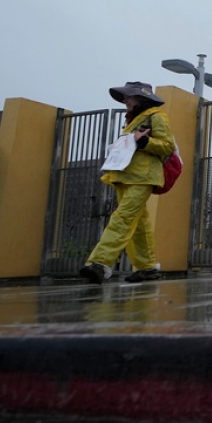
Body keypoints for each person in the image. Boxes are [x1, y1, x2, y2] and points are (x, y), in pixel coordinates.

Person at [79, 82, 176, 283]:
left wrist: (144, 142)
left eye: (128, 97)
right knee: (138, 223)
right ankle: (147, 267)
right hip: (128, 176)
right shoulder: (135, 120)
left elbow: (167, 146)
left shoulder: (156, 117)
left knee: (122, 218)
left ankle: (99, 263)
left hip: (143, 177)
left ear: (140, 98)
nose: (125, 100)